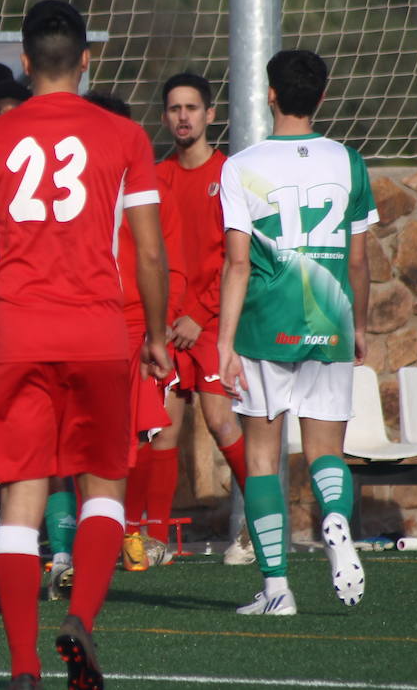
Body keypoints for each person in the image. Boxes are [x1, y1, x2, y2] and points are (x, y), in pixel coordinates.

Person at [0, 0, 170, 690]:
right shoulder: (124, 137)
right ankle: (82, 620)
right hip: (98, 331)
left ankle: (21, 666)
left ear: (22, 60)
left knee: (21, 502)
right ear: (87, 59)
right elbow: (151, 254)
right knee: (104, 489)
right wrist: (157, 335)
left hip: (16, 334)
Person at [218, 49, 376, 616]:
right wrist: (359, 324)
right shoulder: (349, 163)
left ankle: (277, 590)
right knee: (326, 452)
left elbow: (237, 264)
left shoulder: (239, 166)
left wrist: (223, 341)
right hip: (330, 321)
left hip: (265, 326)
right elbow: (358, 262)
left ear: (270, 95)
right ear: (323, 98)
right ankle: (334, 518)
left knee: (262, 459)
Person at [147, 73, 254, 567]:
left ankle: (258, 527)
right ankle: (153, 538)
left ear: (210, 115)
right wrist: (165, 321)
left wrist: (200, 313)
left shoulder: (228, 174)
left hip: (210, 323)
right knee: (163, 430)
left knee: (218, 419)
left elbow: (235, 260)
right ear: (165, 116)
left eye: (192, 107)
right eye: (174, 108)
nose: (183, 116)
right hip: (169, 326)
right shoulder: (156, 178)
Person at [86, 92, 186, 576]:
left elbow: (172, 264)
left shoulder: (149, 192)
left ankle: (138, 536)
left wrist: (159, 325)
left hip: (136, 328)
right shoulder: (75, 191)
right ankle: (77, 545)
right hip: (86, 325)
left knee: (147, 434)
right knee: (86, 439)